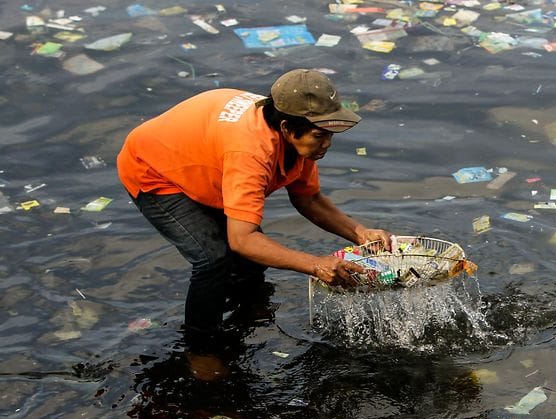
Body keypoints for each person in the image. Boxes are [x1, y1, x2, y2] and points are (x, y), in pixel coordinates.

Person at [117, 69, 390, 379]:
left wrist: (359, 232)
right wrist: (316, 265)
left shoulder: (296, 141)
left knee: (250, 265)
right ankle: (201, 351)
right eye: (319, 135)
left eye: (330, 134)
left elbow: (309, 199)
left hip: (210, 164)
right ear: (287, 128)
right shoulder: (251, 151)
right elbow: (242, 240)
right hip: (155, 171)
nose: (327, 143)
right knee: (212, 259)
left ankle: (248, 313)